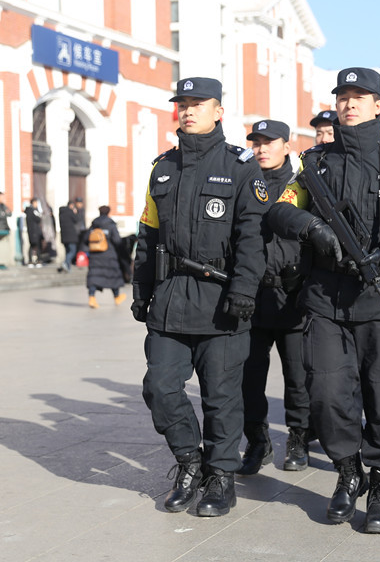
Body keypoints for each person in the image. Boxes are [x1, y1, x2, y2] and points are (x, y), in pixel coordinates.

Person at [268, 69, 380, 533]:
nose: (349, 104)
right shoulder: (315, 164)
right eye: (343, 97)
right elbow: (281, 207)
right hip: (326, 301)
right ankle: (348, 471)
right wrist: (313, 229)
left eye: (359, 97)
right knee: (325, 396)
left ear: (379, 107)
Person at [132, 77, 267, 518]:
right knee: (160, 386)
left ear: (219, 111)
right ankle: (190, 462)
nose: (188, 111)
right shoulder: (162, 168)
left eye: (197, 103)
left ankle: (220, 478)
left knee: (222, 397)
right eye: (182, 104)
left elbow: (253, 238)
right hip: (171, 300)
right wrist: (141, 291)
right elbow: (147, 236)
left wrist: (245, 291)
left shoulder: (242, 166)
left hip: (222, 300)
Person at [236, 119, 312, 476]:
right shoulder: (243, 180)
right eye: (256, 142)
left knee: (297, 376)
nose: (261, 148)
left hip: (293, 295)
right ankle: (258, 441)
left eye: (269, 142)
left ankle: (297, 438)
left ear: (287, 144)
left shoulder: (304, 181)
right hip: (252, 295)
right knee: (250, 376)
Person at [86, 205, 126, 307]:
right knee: (113, 275)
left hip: (95, 255)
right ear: (108, 212)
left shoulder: (94, 224)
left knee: (94, 276)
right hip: (109, 255)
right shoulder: (111, 224)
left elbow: (86, 238)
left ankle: (92, 298)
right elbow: (117, 240)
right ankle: (117, 298)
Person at [57, 200, 80, 272]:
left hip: (64, 236)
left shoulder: (61, 213)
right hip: (71, 236)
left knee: (67, 251)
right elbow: (76, 220)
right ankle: (65, 263)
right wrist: (75, 213)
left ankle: (68, 268)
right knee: (73, 251)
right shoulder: (70, 212)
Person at [24, 198, 43, 267]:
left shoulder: (34, 211)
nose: (37, 205)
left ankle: (35, 260)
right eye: (36, 203)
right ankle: (33, 261)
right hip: (33, 231)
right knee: (34, 245)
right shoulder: (31, 211)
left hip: (35, 231)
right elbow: (38, 219)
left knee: (34, 245)